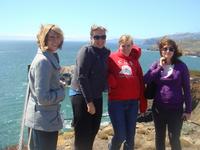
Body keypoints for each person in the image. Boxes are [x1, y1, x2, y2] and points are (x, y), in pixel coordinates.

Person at [144, 37, 192, 150]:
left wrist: (188, 110)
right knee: (159, 137)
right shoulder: (156, 65)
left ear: (174, 51)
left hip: (176, 110)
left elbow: (187, 89)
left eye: (171, 49)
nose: (168, 51)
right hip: (158, 109)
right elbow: (145, 79)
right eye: (165, 48)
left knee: (174, 138)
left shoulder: (181, 66)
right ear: (161, 50)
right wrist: (159, 67)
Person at [24, 24, 66, 150]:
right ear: (44, 38)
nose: (55, 41)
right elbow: (43, 98)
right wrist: (61, 92)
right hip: (43, 122)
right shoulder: (43, 61)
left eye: (58, 37)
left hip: (45, 119)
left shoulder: (49, 56)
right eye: (51, 37)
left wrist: (57, 83)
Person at [69, 25, 110, 150]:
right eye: (96, 37)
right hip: (81, 96)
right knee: (82, 134)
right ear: (91, 37)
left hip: (97, 95)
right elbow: (82, 77)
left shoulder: (105, 52)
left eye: (103, 36)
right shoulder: (86, 51)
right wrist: (89, 102)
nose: (100, 39)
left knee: (94, 129)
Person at [107, 35, 147, 150]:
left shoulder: (135, 61)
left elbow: (140, 82)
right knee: (120, 136)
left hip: (133, 103)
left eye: (128, 45)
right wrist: (110, 79)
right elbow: (103, 73)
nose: (125, 48)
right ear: (119, 46)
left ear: (132, 46)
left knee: (130, 138)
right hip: (116, 103)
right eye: (123, 45)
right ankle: (112, 146)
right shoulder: (111, 58)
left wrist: (143, 104)